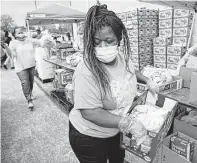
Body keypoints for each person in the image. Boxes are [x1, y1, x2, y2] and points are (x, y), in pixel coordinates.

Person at [69, 4, 157, 163]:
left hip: (115, 131)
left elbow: (130, 70)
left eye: (109, 41)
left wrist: (147, 80)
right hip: (89, 137)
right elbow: (90, 112)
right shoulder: (86, 71)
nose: (103, 47)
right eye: (97, 42)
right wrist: (129, 124)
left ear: (119, 40)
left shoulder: (122, 57)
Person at [9, 26, 55, 110]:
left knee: (31, 82)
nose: (21, 34)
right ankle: (29, 100)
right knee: (25, 83)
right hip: (20, 67)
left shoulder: (30, 41)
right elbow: (11, 55)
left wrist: (48, 39)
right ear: (15, 35)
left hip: (31, 65)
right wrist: (9, 51)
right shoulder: (13, 43)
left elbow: (42, 43)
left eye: (22, 32)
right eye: (19, 32)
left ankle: (29, 93)